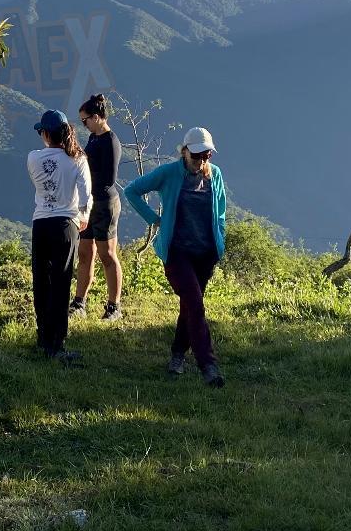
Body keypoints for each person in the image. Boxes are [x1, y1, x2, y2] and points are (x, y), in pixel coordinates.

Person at [123, 127, 227, 387]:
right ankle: (208, 365)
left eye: (207, 155)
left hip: (205, 254)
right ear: (184, 152)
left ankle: (177, 355)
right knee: (195, 303)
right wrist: (154, 220)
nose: (202, 161)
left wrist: (220, 243)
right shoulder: (169, 173)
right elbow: (132, 190)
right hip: (177, 252)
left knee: (190, 305)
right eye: (197, 156)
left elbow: (221, 213)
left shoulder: (215, 176)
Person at [27, 109, 92, 362]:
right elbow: (87, 196)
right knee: (61, 281)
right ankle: (57, 343)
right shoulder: (78, 160)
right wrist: (83, 217)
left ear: (45, 134)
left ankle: (42, 337)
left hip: (41, 222)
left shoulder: (33, 158)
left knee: (41, 280)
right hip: (67, 224)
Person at [70, 93, 124, 321]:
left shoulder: (111, 141)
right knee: (85, 253)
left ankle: (114, 307)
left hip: (104, 203)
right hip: (89, 203)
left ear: (98, 117)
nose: (85, 125)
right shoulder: (94, 138)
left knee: (107, 255)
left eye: (86, 120)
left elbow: (109, 179)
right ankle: (79, 303)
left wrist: (86, 179)